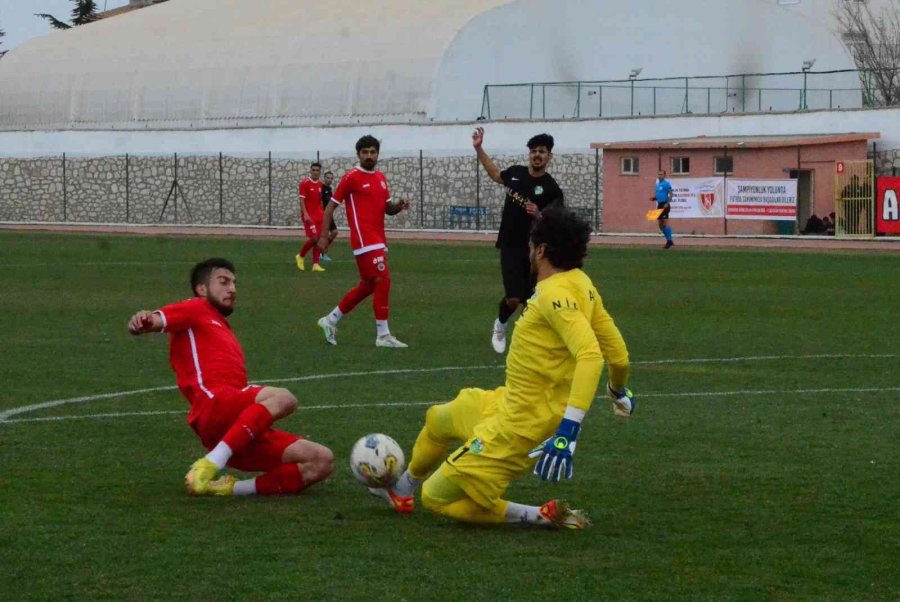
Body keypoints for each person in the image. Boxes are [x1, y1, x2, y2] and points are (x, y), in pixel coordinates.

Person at [371, 207, 634, 529]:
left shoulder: (553, 295)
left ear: (540, 250)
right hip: (510, 401)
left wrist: (568, 431)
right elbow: (618, 355)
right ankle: (402, 489)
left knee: (437, 498)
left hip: (520, 425)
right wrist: (617, 390)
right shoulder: (582, 284)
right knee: (439, 418)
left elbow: (591, 356)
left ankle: (538, 515)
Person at [127, 258, 334, 496]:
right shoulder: (196, 307)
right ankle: (212, 462)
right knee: (284, 398)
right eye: (223, 282)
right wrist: (145, 320)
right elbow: (158, 319)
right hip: (215, 405)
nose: (232, 289)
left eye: (234, 283)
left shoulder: (220, 325)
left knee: (321, 461)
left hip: (236, 427)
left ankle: (231, 488)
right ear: (202, 289)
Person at [473, 126, 564, 354]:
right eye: (534, 151)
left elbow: (556, 223)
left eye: (542, 151)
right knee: (513, 298)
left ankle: (527, 341)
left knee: (531, 301)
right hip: (510, 245)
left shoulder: (552, 189)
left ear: (549, 157)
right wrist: (479, 148)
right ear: (529, 154)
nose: (537, 155)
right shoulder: (515, 174)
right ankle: (500, 325)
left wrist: (539, 215)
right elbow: (495, 174)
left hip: (535, 251)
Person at [316, 135, 411, 348]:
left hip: (377, 239)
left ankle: (330, 320)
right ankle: (383, 335)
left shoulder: (381, 178)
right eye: (365, 152)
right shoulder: (352, 177)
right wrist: (324, 236)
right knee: (383, 280)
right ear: (358, 154)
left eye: (372, 152)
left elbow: (388, 209)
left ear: (377, 154)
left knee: (368, 285)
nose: (369, 156)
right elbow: (331, 206)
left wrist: (400, 204)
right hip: (363, 239)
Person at [296, 162, 327, 272]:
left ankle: (315, 264)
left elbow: (321, 202)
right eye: (313, 170)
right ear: (310, 170)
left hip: (319, 215)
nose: (315, 172)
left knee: (318, 239)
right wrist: (305, 214)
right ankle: (300, 256)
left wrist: (324, 213)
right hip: (309, 216)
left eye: (317, 170)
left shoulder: (320, 185)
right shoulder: (304, 183)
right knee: (314, 238)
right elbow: (302, 200)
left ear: (320, 172)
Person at [651, 170, 674, 249]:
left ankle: (669, 241)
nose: (659, 175)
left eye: (661, 174)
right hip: (659, 205)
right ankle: (669, 240)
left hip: (665, 205)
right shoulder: (657, 184)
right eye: (659, 174)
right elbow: (659, 195)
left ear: (664, 175)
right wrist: (654, 198)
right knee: (660, 225)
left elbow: (671, 194)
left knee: (665, 222)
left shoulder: (666, 183)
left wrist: (667, 203)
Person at [319, 170, 339, 262]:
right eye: (328, 178)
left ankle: (324, 249)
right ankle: (322, 254)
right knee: (324, 235)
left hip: (329, 215)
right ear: (324, 178)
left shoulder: (330, 189)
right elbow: (320, 202)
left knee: (334, 232)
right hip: (323, 215)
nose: (329, 180)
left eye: (331, 178)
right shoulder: (322, 188)